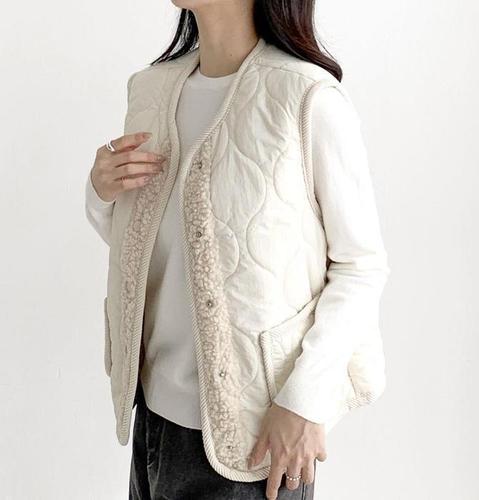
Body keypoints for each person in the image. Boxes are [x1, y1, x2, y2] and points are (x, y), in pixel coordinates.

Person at [85, 1, 390, 499]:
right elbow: (153, 250)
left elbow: (361, 266)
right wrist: (100, 194)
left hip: (257, 438)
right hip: (153, 422)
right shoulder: (150, 90)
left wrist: (304, 402)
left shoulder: (307, 97)